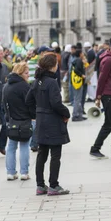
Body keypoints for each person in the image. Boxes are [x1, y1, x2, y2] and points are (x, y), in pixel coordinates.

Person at [26, 54, 71, 196]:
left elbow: (28, 101)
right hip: (53, 121)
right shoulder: (52, 82)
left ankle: (40, 185)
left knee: (42, 154)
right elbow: (56, 103)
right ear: (52, 66)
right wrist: (66, 113)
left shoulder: (36, 81)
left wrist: (36, 113)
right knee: (55, 155)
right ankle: (53, 185)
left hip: (41, 121)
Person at [2, 62, 35, 181]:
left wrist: (8, 117)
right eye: (26, 73)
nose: (28, 75)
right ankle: (24, 172)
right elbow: (30, 103)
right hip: (25, 120)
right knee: (24, 146)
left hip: (12, 120)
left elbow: (4, 104)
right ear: (20, 73)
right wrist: (33, 115)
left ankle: (10, 172)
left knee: (11, 146)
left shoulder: (6, 86)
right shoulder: (24, 87)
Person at [71, 49, 87, 122]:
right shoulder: (79, 61)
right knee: (77, 99)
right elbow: (76, 70)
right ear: (80, 54)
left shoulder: (78, 60)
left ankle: (79, 115)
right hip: (78, 82)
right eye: (82, 53)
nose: (83, 54)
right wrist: (82, 75)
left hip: (77, 82)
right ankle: (75, 115)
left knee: (78, 99)